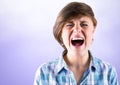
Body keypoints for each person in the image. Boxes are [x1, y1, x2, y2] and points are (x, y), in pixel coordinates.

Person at [34, 2, 118, 85]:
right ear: (60, 33)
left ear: (93, 30)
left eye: (84, 24)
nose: (77, 29)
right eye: (69, 25)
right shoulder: (44, 73)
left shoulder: (108, 73)